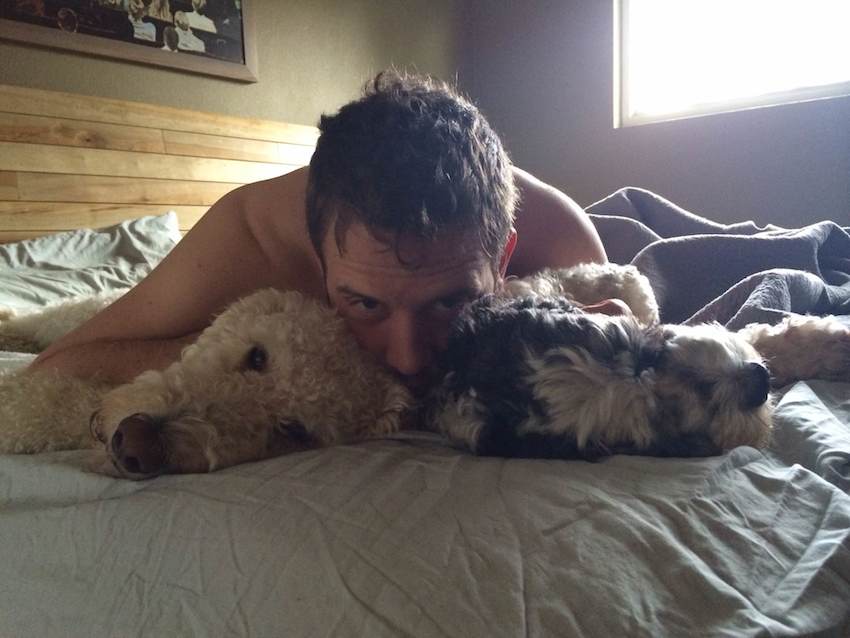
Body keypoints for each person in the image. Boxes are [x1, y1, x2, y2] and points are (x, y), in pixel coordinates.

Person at [30, 71, 617, 395]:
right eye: (364, 303)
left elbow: (622, 323)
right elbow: (58, 366)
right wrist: (257, 346)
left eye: (452, 300)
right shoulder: (249, 236)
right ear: (316, 257)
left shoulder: (558, 234)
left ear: (504, 254)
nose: (408, 361)